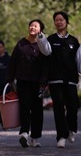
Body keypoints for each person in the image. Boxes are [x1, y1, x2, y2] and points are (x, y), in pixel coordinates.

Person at [37, 11, 81, 148]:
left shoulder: (73, 41)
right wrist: (40, 37)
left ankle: (71, 129)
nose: (59, 22)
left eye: (61, 20)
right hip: (55, 79)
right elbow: (45, 51)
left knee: (73, 106)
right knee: (58, 108)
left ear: (66, 22)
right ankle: (61, 136)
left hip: (71, 80)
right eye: (56, 20)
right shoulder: (50, 39)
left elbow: (78, 60)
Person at [7, 19, 48, 148]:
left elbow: (46, 65)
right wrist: (10, 79)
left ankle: (35, 137)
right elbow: (13, 62)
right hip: (23, 81)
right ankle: (24, 133)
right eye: (31, 25)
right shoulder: (21, 44)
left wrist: (44, 82)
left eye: (35, 26)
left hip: (38, 83)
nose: (32, 27)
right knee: (24, 107)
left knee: (37, 110)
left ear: (40, 30)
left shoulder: (43, 46)